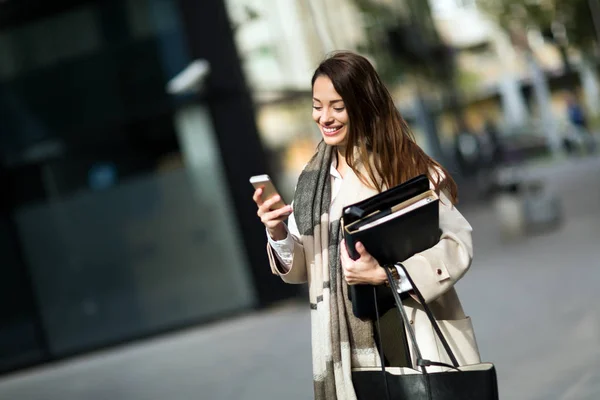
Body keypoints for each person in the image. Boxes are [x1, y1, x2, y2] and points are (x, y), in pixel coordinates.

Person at [252, 51, 480, 400]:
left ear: (362, 105)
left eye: (337, 106)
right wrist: (278, 233)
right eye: (317, 105)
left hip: (409, 338)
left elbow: (458, 242)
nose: (323, 117)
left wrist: (389, 275)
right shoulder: (312, 184)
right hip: (347, 356)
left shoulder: (405, 167)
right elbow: (304, 268)